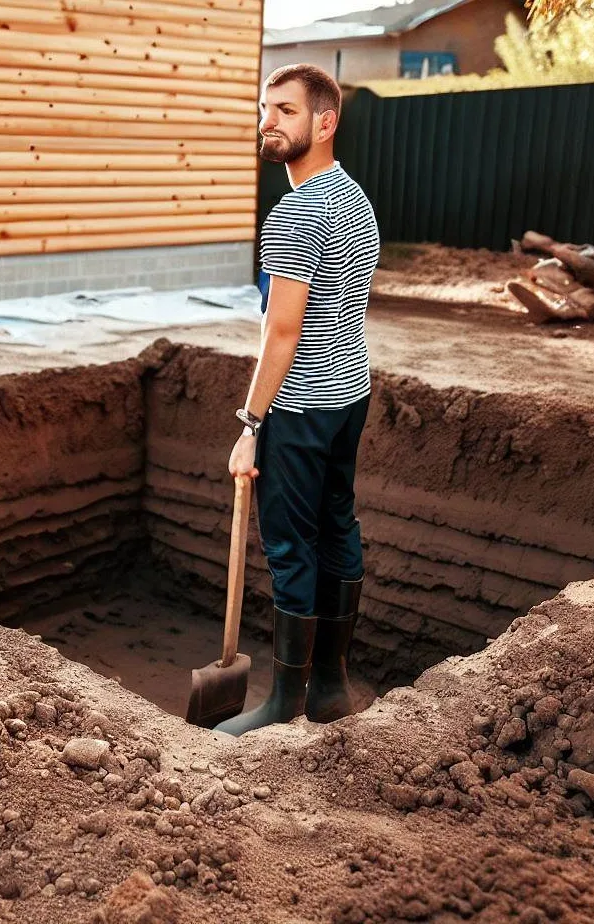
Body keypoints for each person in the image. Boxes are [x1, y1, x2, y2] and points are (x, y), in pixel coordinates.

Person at [215, 64, 380, 736]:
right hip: (350, 396)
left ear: (325, 122)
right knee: (337, 526)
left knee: (290, 547)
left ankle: (285, 703)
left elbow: (281, 333)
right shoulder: (355, 198)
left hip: (304, 405)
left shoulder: (297, 211)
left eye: (285, 110)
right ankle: (332, 689)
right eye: (265, 109)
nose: (269, 122)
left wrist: (252, 423)